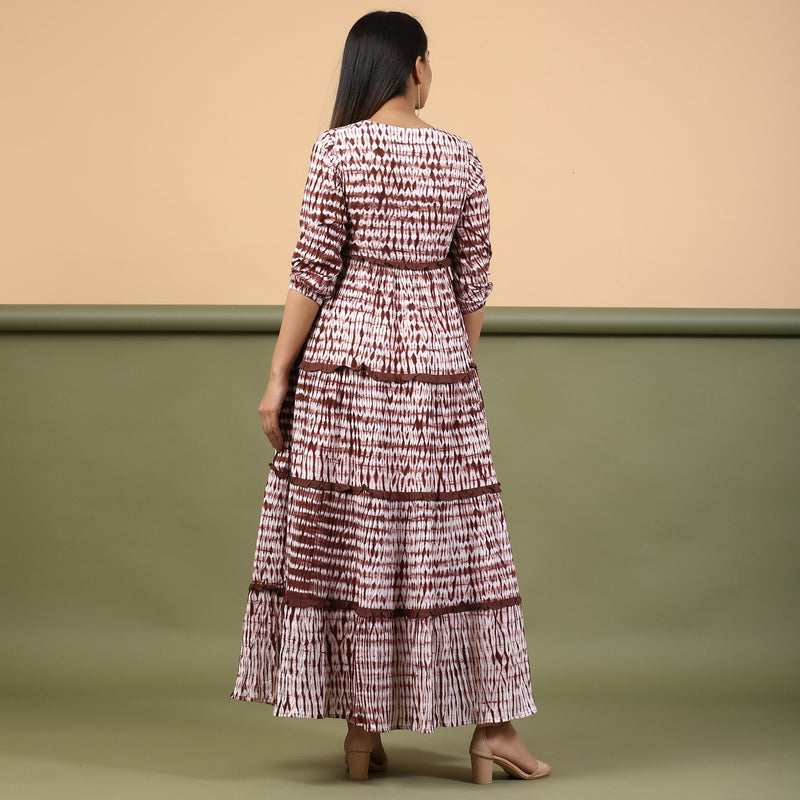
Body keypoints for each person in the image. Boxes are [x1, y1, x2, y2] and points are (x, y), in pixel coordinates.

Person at [230, 10, 551, 784]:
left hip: (343, 369)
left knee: (357, 544)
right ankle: (492, 732)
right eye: (428, 62)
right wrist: (449, 366)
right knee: (459, 548)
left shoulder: (335, 150)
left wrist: (279, 375)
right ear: (413, 67)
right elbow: (473, 280)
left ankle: (361, 736)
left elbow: (313, 271)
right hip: (437, 372)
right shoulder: (460, 156)